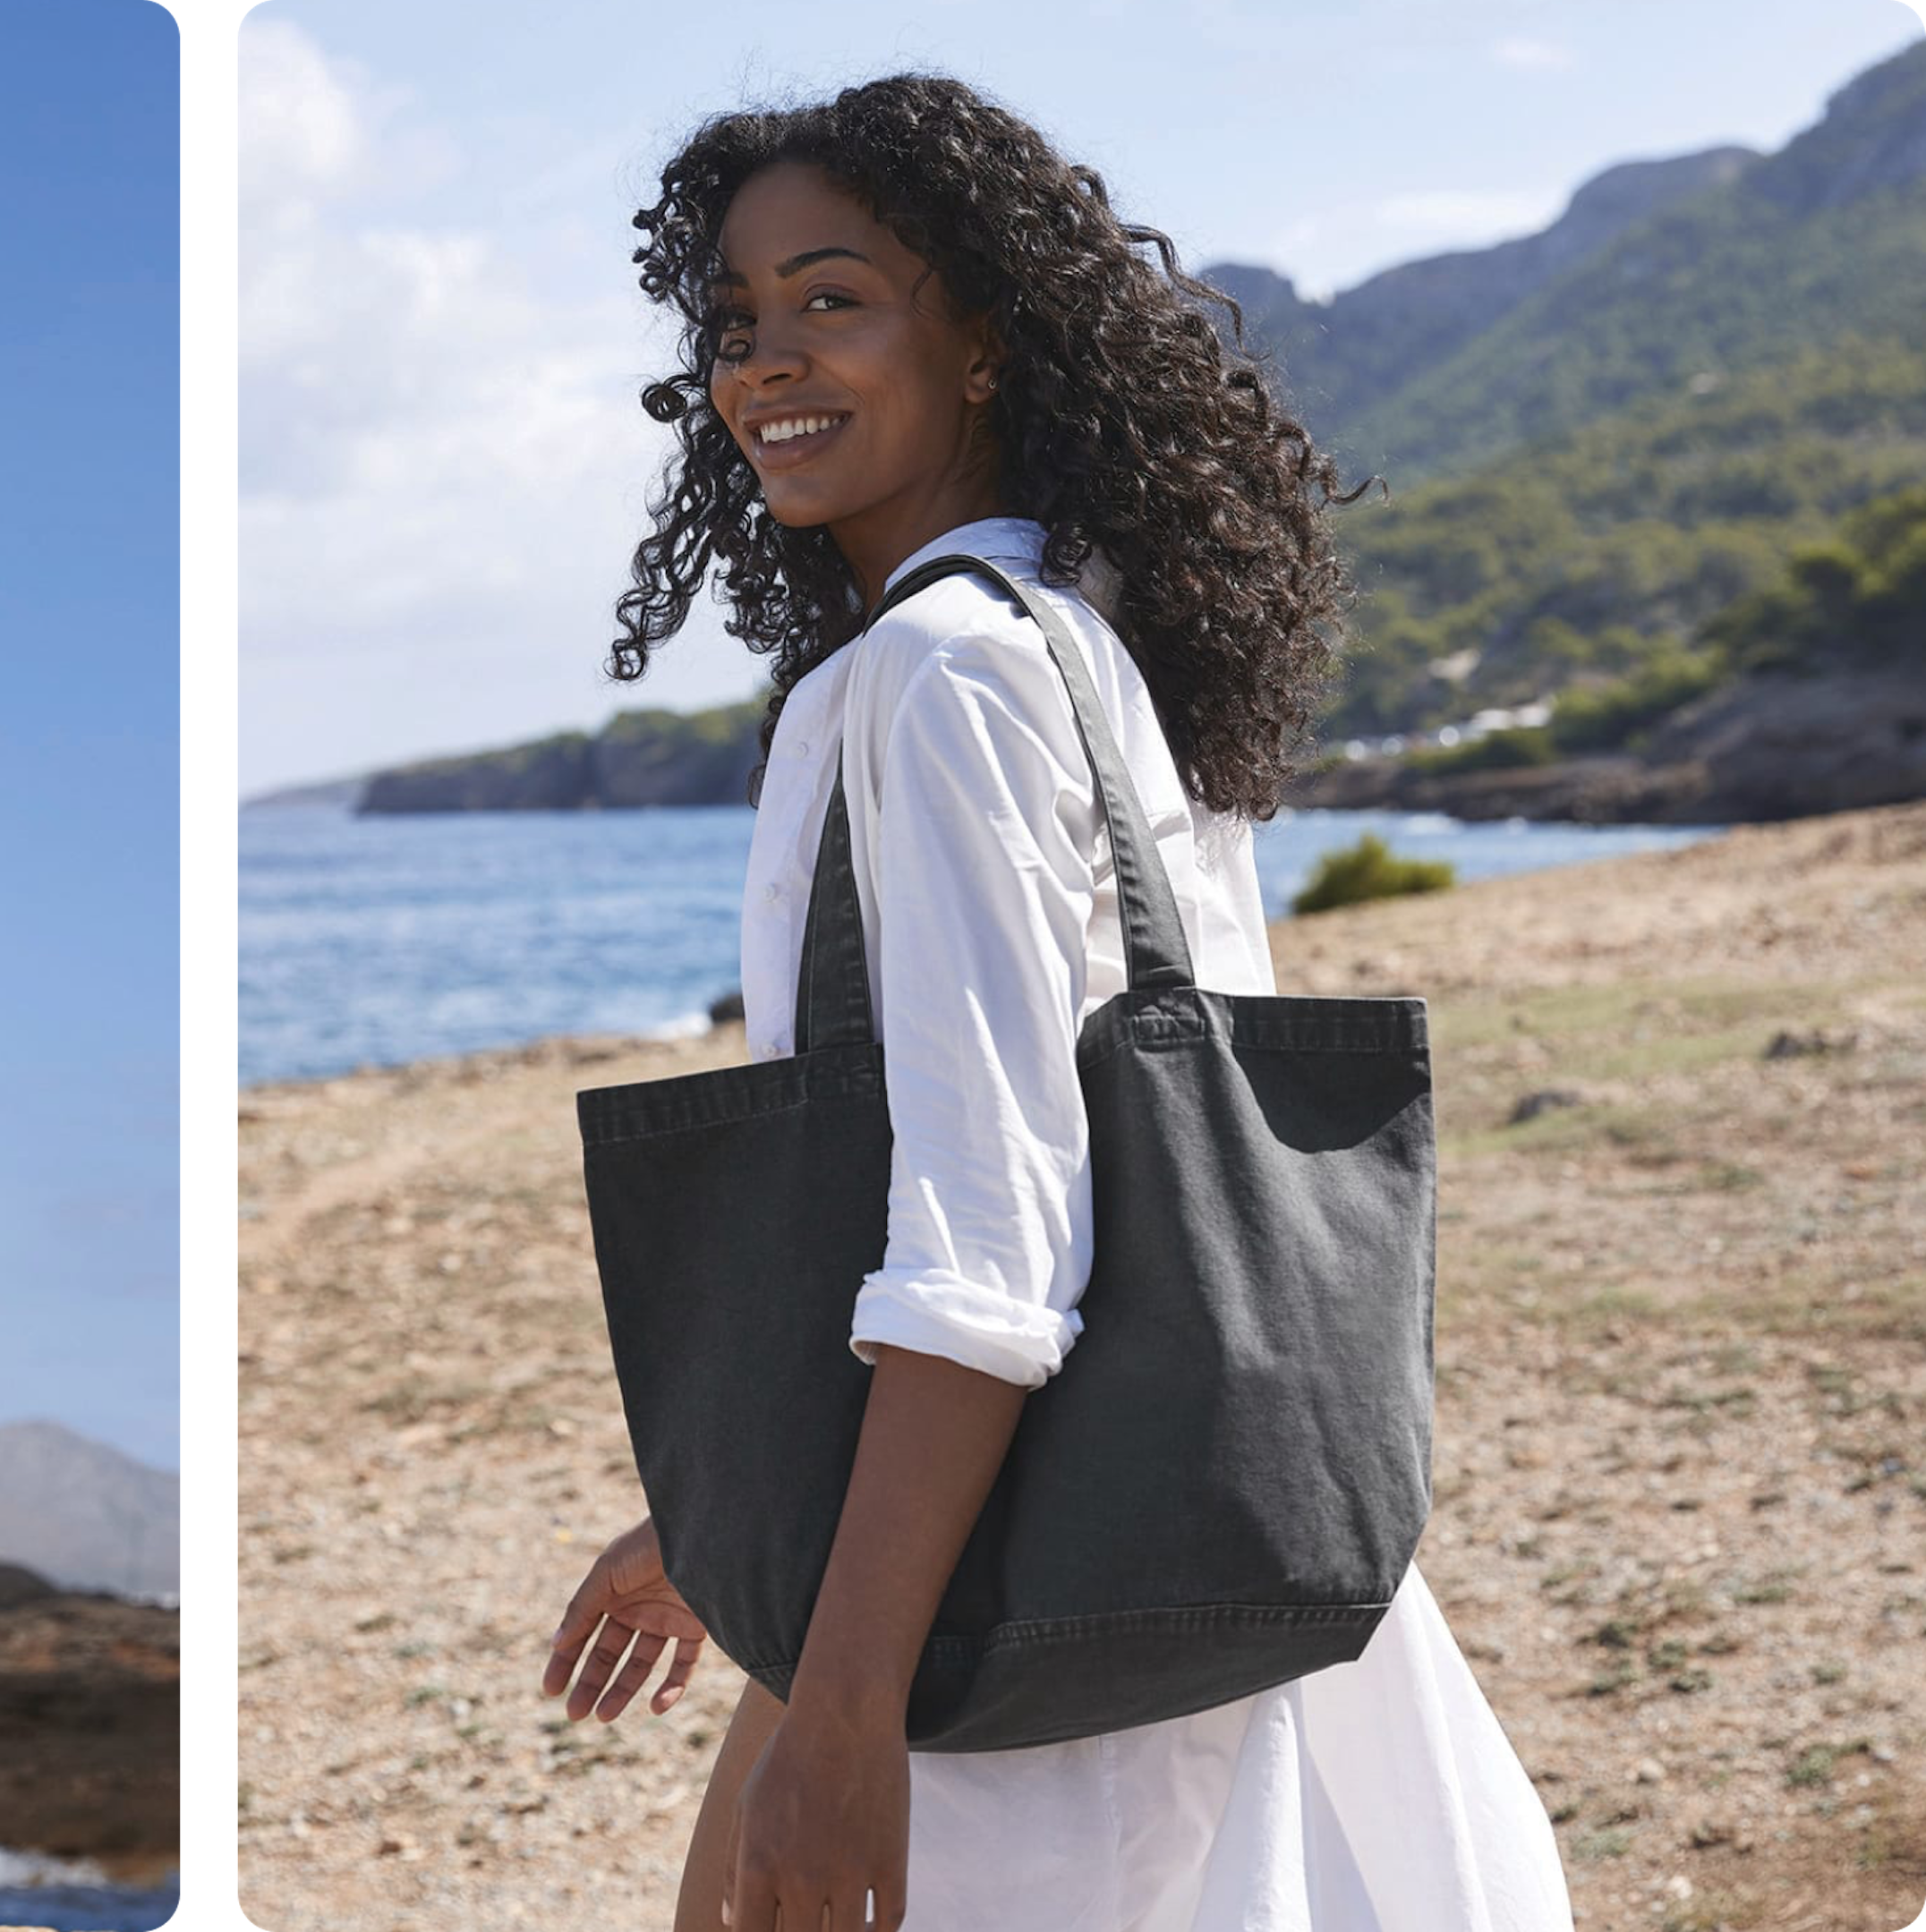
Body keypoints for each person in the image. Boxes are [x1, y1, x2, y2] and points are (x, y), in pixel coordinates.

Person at [544, 72, 1575, 1932]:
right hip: (1173, 1523)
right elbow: (1076, 1145)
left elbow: (993, 1236)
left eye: (833, 298)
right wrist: (735, 1530)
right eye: (735, 319)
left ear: (986, 342)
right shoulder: (1076, 642)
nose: (765, 358)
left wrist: (844, 1694)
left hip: (1023, 1624)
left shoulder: (937, 676)